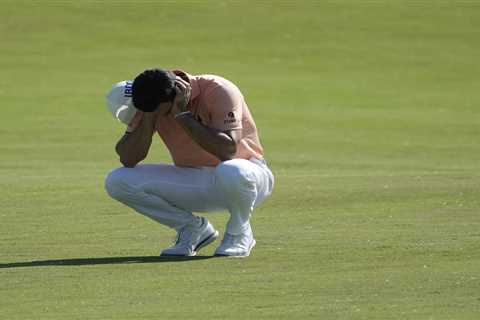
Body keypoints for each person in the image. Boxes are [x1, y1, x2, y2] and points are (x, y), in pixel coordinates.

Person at [104, 68, 274, 257]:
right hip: (195, 179)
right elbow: (128, 158)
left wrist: (183, 115)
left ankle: (239, 232)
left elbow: (227, 150)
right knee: (117, 180)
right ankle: (192, 229)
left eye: (158, 110)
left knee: (231, 170)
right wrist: (149, 118)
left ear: (174, 94)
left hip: (247, 179)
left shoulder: (219, 89)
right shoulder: (149, 100)